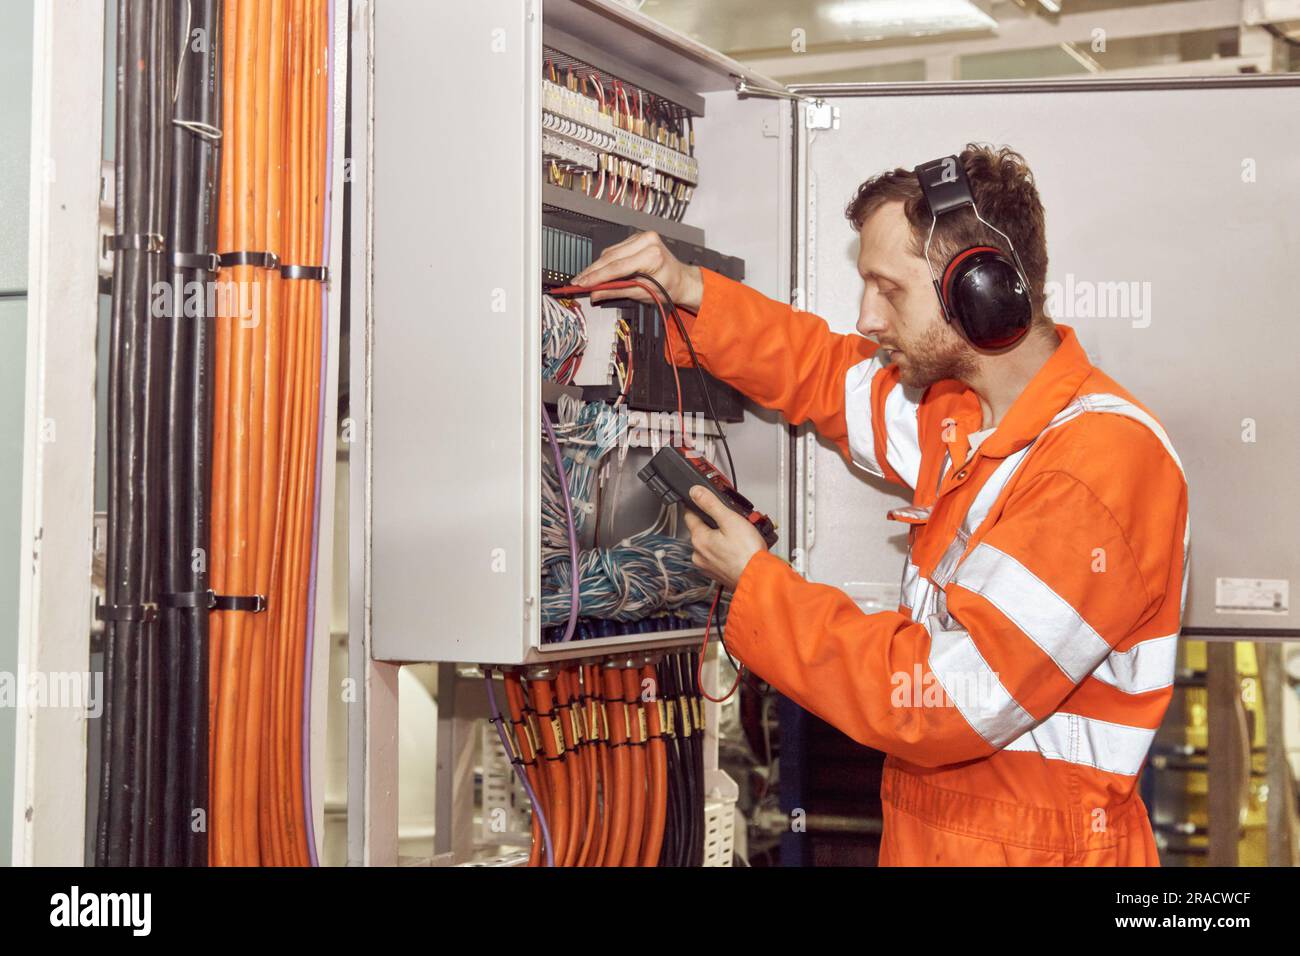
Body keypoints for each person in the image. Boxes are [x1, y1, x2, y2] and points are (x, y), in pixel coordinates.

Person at [572, 144, 1189, 867]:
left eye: (888, 289)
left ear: (980, 290)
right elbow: (823, 375)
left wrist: (760, 584)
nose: (867, 316)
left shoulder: (1102, 466)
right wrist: (691, 292)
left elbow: (940, 701)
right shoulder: (964, 419)